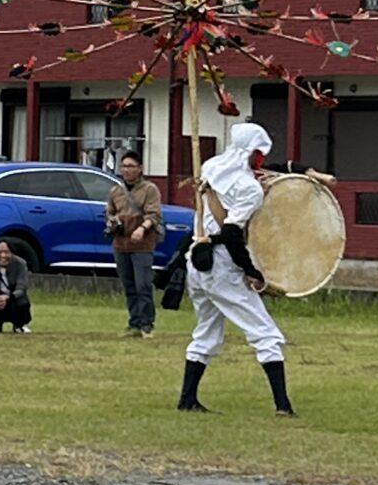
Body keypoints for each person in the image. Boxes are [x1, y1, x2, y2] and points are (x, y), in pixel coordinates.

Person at [177, 118, 294, 416]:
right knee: (264, 331)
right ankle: (283, 405)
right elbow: (231, 232)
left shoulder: (210, 168)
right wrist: (253, 272)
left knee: (207, 331)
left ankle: (188, 399)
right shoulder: (248, 188)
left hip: (197, 262)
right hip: (220, 265)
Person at [104, 148, 163, 336]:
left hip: (142, 243)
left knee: (143, 284)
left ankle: (147, 324)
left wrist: (142, 228)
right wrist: (112, 222)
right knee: (128, 284)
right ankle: (134, 323)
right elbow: (110, 212)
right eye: (124, 166)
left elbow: (154, 215)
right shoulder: (115, 191)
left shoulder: (149, 189)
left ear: (140, 168)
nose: (127, 170)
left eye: (131, 166)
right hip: (121, 242)